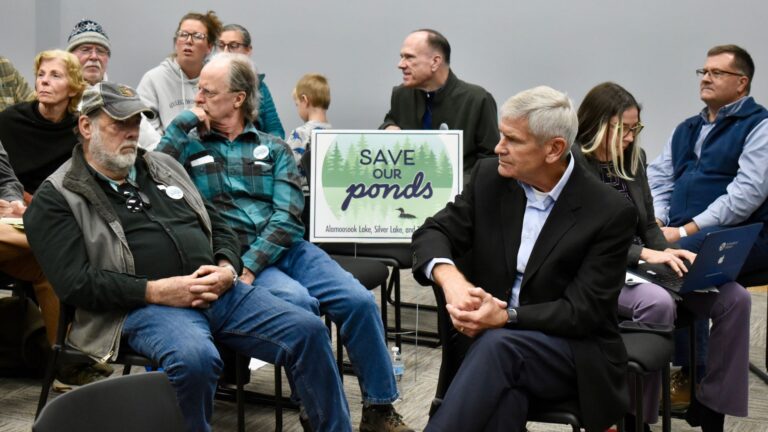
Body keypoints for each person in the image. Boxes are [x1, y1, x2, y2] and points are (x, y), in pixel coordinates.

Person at [23, 81, 351, 432]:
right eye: (119, 124)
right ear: (86, 127)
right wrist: (157, 291)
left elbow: (220, 225)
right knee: (195, 360)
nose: (131, 133)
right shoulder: (57, 196)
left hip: (219, 290)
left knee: (308, 330)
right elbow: (75, 284)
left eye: (136, 123)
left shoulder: (163, 166)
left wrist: (227, 266)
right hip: (142, 307)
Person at [156, 53, 413, 432]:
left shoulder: (274, 147)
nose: (199, 98)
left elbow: (289, 215)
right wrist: (182, 124)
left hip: (285, 250)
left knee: (357, 301)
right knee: (298, 305)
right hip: (232, 252)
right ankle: (315, 407)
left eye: (208, 92)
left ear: (238, 99)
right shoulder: (189, 147)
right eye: (198, 91)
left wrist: (251, 264)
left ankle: (378, 408)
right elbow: (151, 174)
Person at [412, 86, 637, 432]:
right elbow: (431, 233)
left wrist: (507, 316)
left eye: (512, 140)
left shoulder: (608, 211)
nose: (498, 147)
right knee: (505, 396)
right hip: (493, 349)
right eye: (502, 135)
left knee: (499, 347)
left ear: (554, 149)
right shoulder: (490, 179)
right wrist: (452, 281)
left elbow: (582, 312)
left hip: (570, 351)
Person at [573, 82, 750, 432]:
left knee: (735, 298)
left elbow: (650, 227)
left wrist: (674, 253)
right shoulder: (575, 164)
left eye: (635, 128)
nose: (630, 137)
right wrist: (646, 254)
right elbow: (584, 239)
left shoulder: (633, 159)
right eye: (623, 129)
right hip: (599, 269)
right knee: (658, 304)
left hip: (645, 264)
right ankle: (637, 418)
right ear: (597, 124)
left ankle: (711, 406)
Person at [647, 44, 768, 415]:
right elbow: (659, 176)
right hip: (682, 230)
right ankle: (694, 378)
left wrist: (683, 232)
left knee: (667, 266)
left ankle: (690, 377)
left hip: (739, 233)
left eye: (717, 72)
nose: (707, 78)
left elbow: (745, 196)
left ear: (741, 83)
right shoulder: (687, 127)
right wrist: (659, 220)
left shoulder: (759, 127)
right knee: (642, 257)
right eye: (703, 72)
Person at [381, 29, 498, 181]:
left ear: (435, 62)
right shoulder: (401, 95)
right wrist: (388, 127)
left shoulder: (477, 99)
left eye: (409, 57)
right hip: (408, 193)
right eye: (401, 57)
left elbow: (490, 160)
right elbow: (391, 119)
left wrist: (462, 186)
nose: (400, 65)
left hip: (461, 199)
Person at [65, 18, 161, 150]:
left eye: (100, 51)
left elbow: (153, 144)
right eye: (86, 49)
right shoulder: (60, 98)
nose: (94, 56)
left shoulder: (123, 96)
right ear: (70, 57)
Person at [137, 10, 222, 134]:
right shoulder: (153, 79)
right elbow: (144, 129)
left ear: (209, 46)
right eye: (183, 34)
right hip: (167, 150)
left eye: (197, 36)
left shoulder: (217, 79)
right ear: (176, 41)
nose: (188, 41)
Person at [217, 23, 285, 138]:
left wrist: (265, 151)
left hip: (252, 151)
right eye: (221, 45)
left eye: (233, 45)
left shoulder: (259, 87)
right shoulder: (206, 82)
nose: (225, 51)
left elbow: (275, 130)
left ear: (248, 50)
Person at [286, 73, 332, 190]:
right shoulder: (333, 134)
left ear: (304, 100)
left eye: (297, 105)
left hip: (304, 198)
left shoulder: (300, 133)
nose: (297, 109)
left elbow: (287, 167)